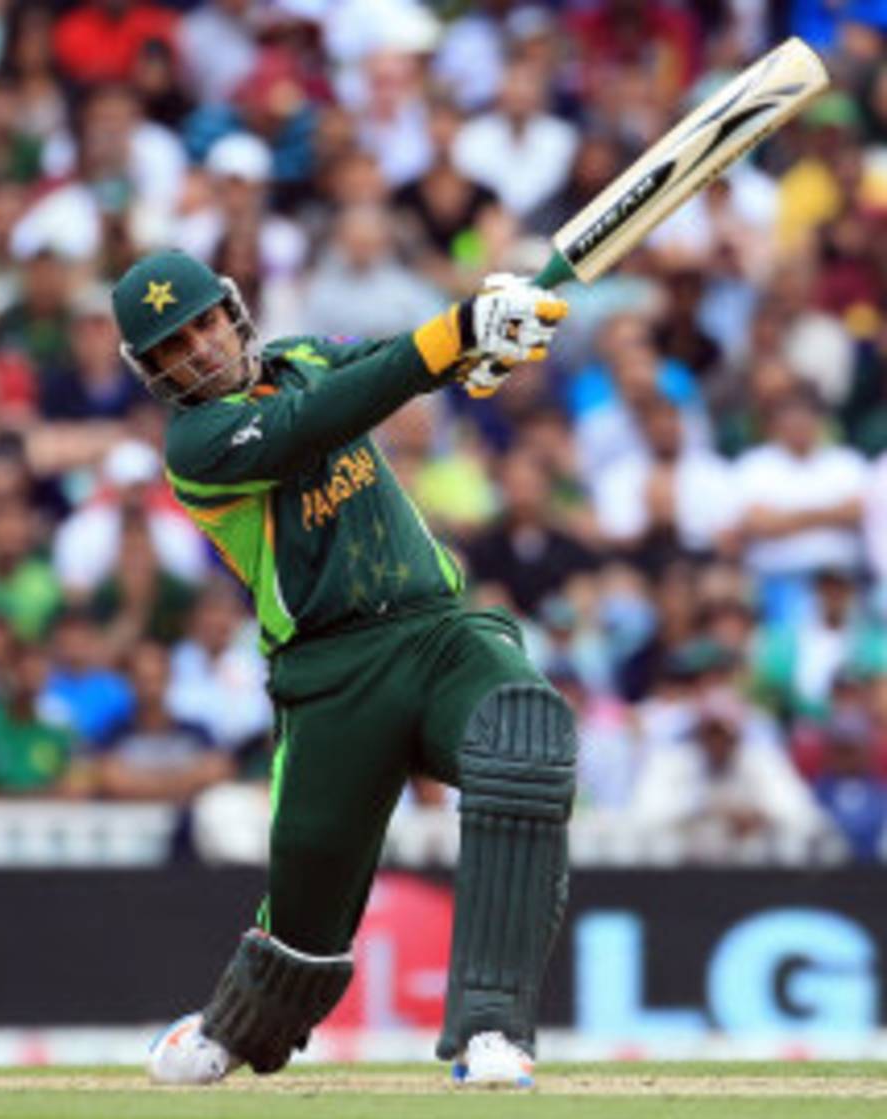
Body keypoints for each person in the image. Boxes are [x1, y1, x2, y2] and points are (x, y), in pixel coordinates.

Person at [110, 249, 574, 1088]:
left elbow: (396, 364)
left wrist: (486, 334)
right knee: (302, 936)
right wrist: (454, 336)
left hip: (438, 634)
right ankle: (232, 1025)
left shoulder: (306, 358)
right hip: (331, 677)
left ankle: (492, 1032)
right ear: (154, 370)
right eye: (175, 345)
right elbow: (316, 422)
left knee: (525, 737)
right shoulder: (199, 446)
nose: (202, 349)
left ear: (233, 311)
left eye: (206, 323)